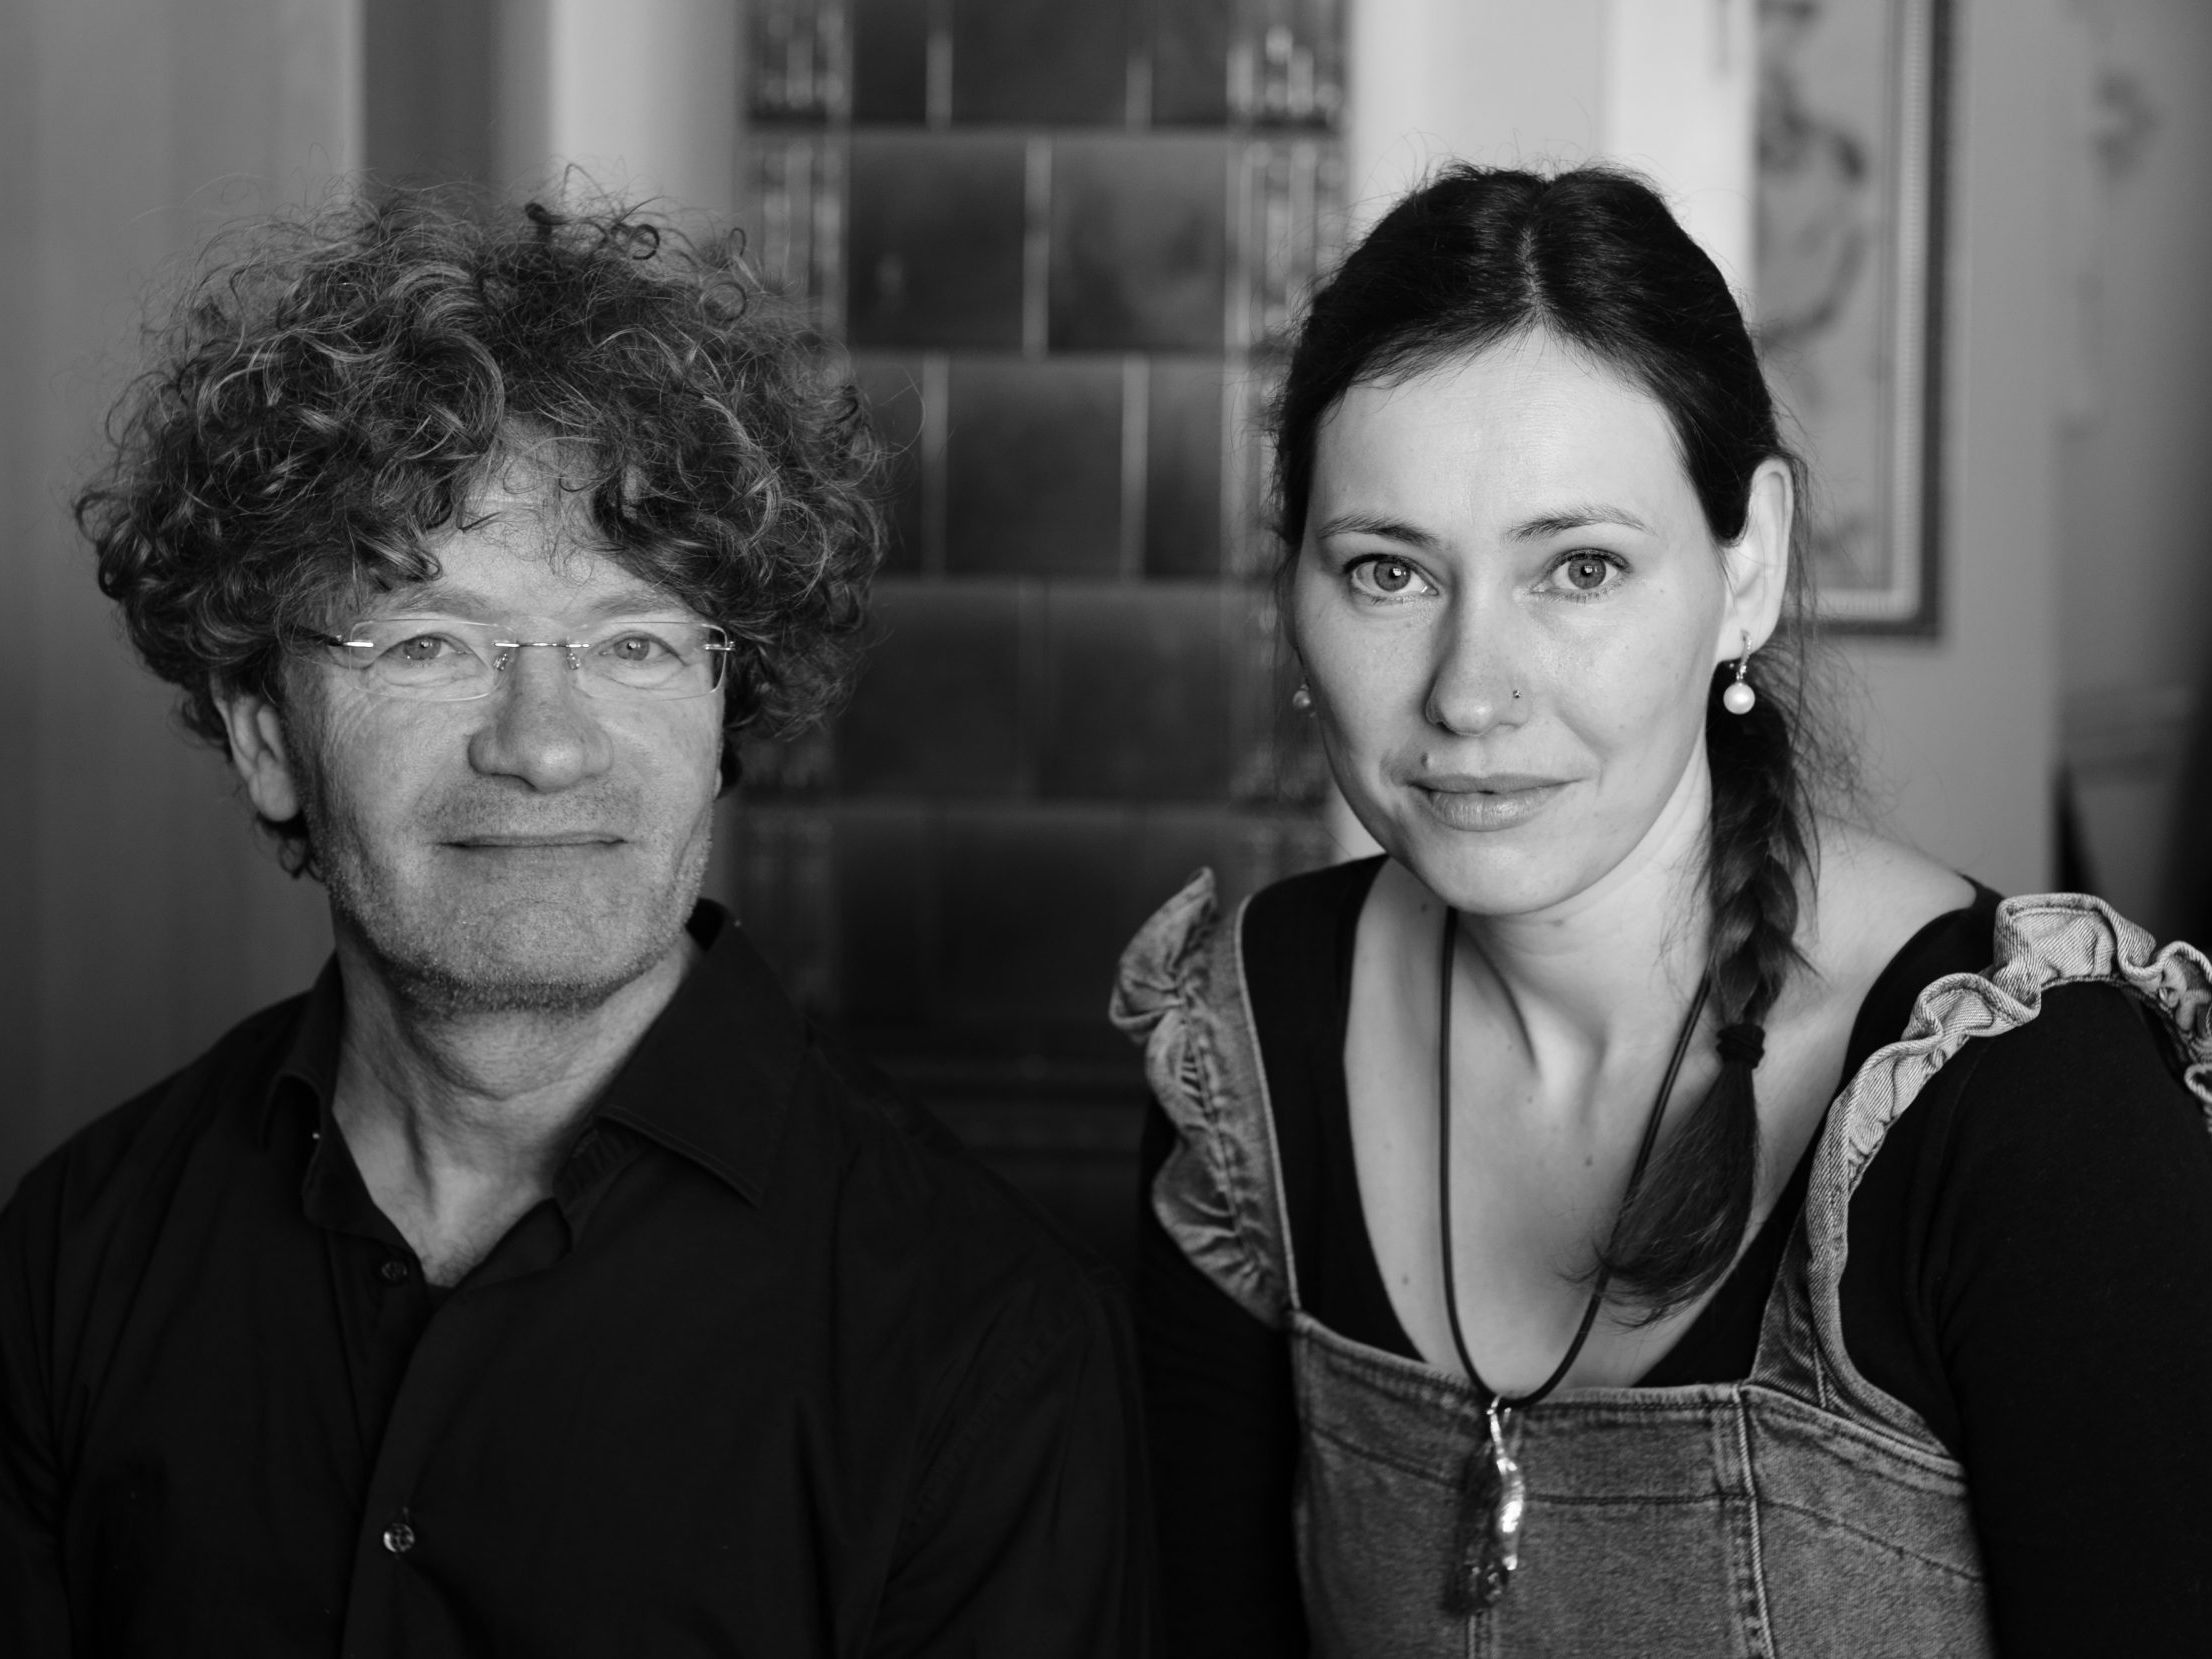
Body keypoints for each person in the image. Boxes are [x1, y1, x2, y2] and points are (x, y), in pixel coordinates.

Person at [0, 189, 1148, 1656]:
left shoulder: (985, 1342)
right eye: (429, 642)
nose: (543, 745)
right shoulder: (73, 1258)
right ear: (267, 736)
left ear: (725, 713)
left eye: (633, 643)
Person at [1113, 164, 2212, 1657]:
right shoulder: (1246, 1037)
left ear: (1747, 566)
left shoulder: (2032, 1107)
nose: (1472, 692)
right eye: (1388, 571)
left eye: (1579, 568)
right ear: (1293, 591)